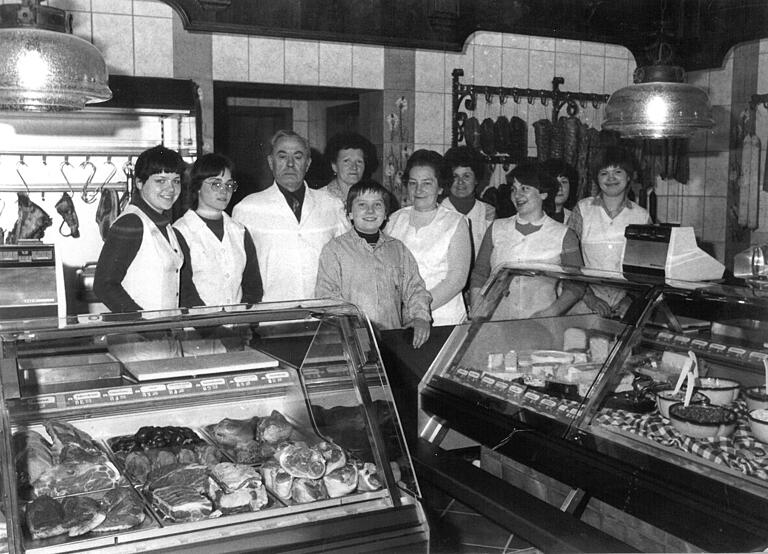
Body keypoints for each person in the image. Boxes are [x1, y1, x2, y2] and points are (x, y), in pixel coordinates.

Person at [232, 130, 349, 302]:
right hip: (270, 316)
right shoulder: (247, 208)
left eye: (298, 156)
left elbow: (347, 260)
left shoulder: (331, 205)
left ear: (308, 164)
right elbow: (236, 270)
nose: (290, 164)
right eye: (282, 156)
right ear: (271, 162)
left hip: (324, 313)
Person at [315, 180, 431, 348]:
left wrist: (420, 317)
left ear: (385, 214)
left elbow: (415, 289)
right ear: (349, 213)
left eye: (377, 205)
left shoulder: (398, 249)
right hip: (352, 341)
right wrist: (355, 327)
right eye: (362, 204)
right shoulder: (334, 250)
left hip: (393, 341)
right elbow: (327, 298)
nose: (370, 210)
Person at [469, 161, 584, 319]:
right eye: (514, 189)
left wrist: (552, 312)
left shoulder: (564, 234)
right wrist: (477, 305)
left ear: (543, 194)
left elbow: (577, 285)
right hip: (496, 320)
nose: (517, 195)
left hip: (543, 323)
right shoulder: (497, 228)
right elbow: (480, 273)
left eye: (525, 188)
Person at [94, 145, 194, 312]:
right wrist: (146, 326)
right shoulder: (132, 222)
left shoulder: (166, 226)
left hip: (166, 332)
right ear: (139, 182)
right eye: (160, 181)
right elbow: (104, 286)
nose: (170, 189)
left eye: (176, 181)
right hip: (140, 335)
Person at [385, 150, 471, 326]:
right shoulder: (394, 219)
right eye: (413, 183)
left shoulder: (456, 222)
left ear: (440, 187)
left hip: (443, 319)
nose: (418, 190)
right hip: (399, 320)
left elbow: (456, 280)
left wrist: (416, 312)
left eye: (427, 183)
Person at [568, 146, 652, 317]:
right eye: (604, 173)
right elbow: (568, 264)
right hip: (584, 302)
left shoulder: (641, 216)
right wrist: (589, 298)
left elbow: (647, 270)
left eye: (618, 172)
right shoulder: (583, 210)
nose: (611, 178)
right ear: (596, 178)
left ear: (629, 176)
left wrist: (630, 299)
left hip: (626, 304)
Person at [173, 153, 263, 307]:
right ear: (197, 186)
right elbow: (185, 293)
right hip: (197, 328)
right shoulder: (180, 232)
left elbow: (253, 287)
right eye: (216, 184)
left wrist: (243, 324)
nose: (224, 191)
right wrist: (215, 330)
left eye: (229, 185)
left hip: (239, 326)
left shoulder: (240, 231)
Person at [442, 145, 495, 260]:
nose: (460, 182)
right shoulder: (438, 211)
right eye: (455, 176)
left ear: (476, 179)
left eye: (466, 176)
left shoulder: (487, 212)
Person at [321, 132, 379, 202]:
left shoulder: (373, 197)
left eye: (359, 161)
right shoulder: (320, 198)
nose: (354, 167)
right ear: (334, 166)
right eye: (347, 161)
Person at [541, 158, 579, 225]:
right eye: (554, 182)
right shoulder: (532, 217)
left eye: (564, 182)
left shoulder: (576, 219)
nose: (559, 187)